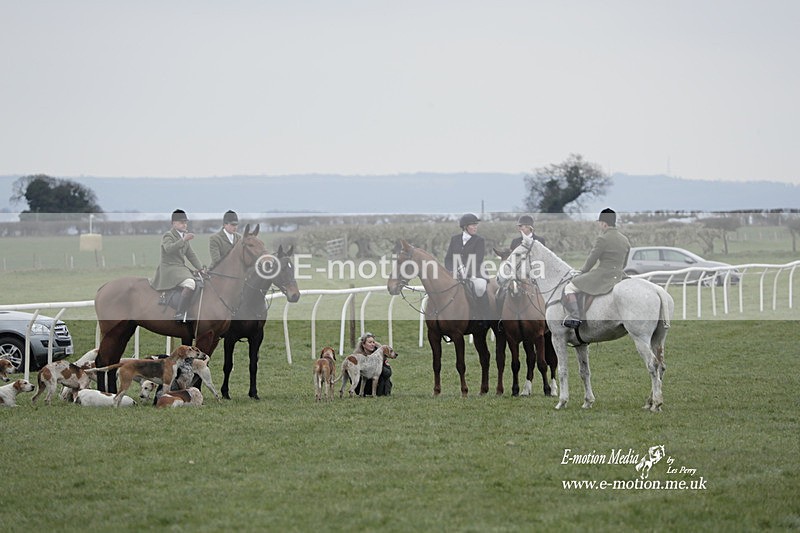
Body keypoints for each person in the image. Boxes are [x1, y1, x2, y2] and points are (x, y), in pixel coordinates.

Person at [562, 208, 630, 328]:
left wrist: (582, 272)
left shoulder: (602, 238)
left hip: (603, 275)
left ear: (604, 223)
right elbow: (624, 264)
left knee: (570, 287)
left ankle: (576, 317)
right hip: (619, 275)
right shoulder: (625, 240)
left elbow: (591, 260)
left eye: (600, 222)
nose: (599, 225)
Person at [150, 209, 205, 322]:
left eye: (185, 222)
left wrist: (200, 268)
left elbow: (191, 255)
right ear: (173, 223)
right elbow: (169, 249)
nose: (184, 224)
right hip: (169, 269)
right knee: (190, 283)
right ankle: (180, 313)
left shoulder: (183, 236)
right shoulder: (168, 236)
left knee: (201, 280)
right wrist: (183, 240)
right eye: (181, 222)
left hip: (180, 268)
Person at [443, 213, 491, 322]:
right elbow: (448, 259)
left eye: (476, 225)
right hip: (457, 273)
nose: (475, 227)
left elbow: (478, 260)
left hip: (476, 272)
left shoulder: (479, 240)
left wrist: (466, 271)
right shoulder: (455, 239)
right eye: (472, 225)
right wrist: (452, 270)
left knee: (480, 288)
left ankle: (484, 316)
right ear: (465, 227)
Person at [353, 332, 393, 396]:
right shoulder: (358, 356)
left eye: (373, 342)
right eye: (370, 342)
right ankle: (361, 392)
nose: (372, 344)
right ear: (363, 344)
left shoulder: (380, 355)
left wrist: (378, 366)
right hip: (364, 385)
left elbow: (388, 373)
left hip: (380, 388)